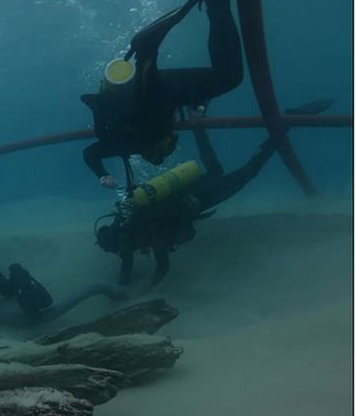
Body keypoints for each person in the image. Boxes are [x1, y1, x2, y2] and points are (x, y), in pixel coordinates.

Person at [95, 100, 333, 286]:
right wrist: (122, 286)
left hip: (202, 197)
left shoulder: (143, 234)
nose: (121, 255)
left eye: (115, 251)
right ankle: (198, 123)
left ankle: (287, 122)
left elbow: (161, 268)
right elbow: (126, 266)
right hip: (192, 188)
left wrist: (142, 291)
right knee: (215, 170)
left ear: (118, 243)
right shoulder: (127, 221)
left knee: (249, 171)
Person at [81, 0, 244, 189]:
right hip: (161, 93)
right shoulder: (151, 134)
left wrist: (102, 175)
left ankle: (145, 51)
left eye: (163, 150)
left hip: (140, 99)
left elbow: (90, 153)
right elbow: (92, 151)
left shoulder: (133, 143)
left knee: (225, 79)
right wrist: (198, 104)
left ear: (151, 152)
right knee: (228, 77)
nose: (169, 143)